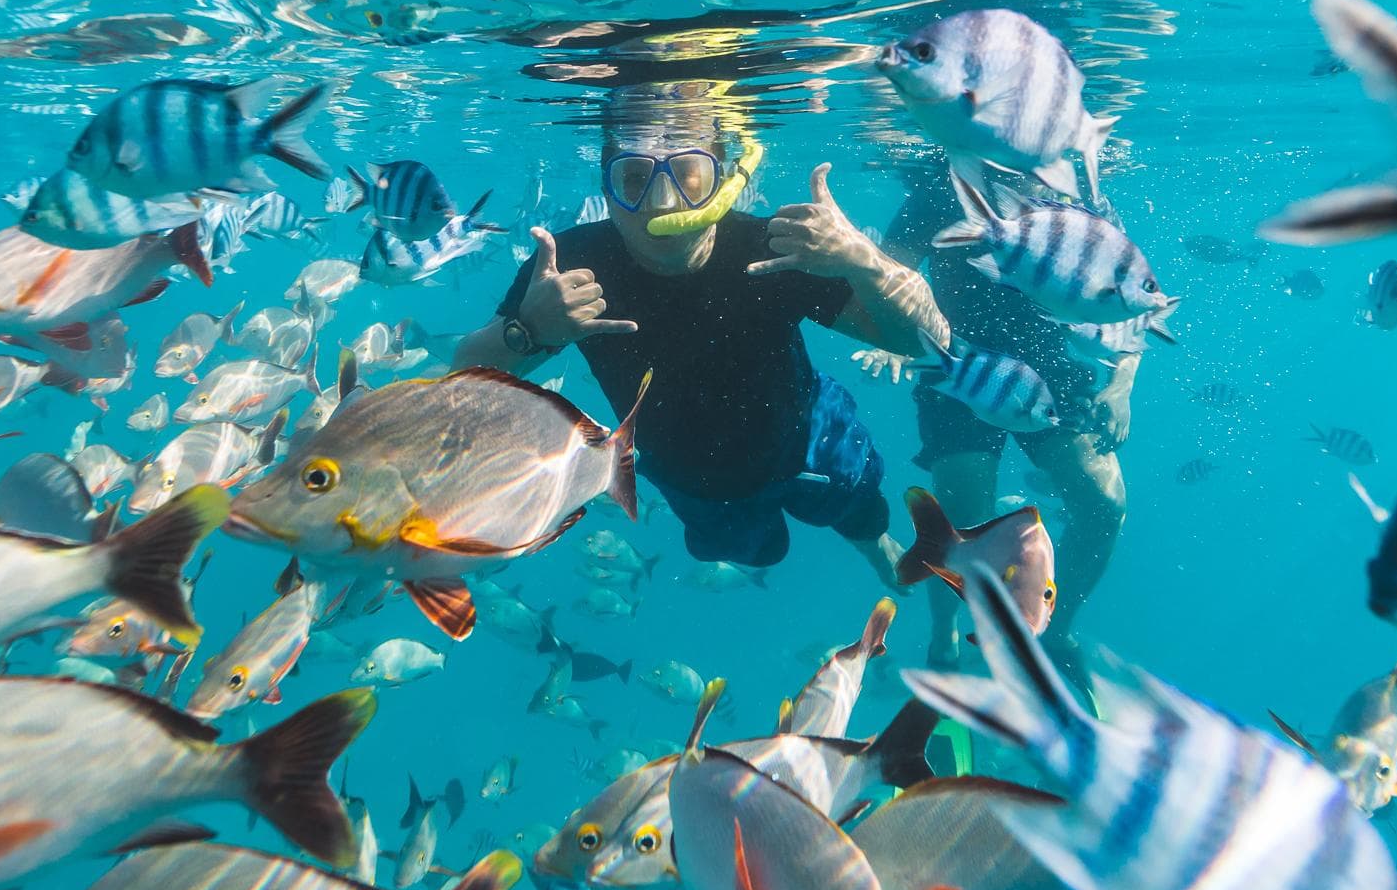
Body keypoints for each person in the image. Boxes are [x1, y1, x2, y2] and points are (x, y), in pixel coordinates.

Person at [453, 81, 950, 578]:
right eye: (633, 180)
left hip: (812, 434)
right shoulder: (565, 268)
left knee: (859, 507)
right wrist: (529, 329)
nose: (662, 203)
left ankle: (873, 543)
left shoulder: (779, 246)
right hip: (696, 480)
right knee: (756, 553)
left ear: (727, 181)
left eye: (691, 177)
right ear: (606, 188)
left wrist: (868, 265)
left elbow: (930, 341)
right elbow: (462, 376)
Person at [880, 160, 1139, 688]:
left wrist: (1121, 386)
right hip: (964, 374)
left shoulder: (1084, 200)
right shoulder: (939, 191)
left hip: (1055, 376)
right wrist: (889, 334)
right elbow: (888, 272)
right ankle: (945, 633)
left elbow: (1128, 302)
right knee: (960, 519)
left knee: (1102, 504)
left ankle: (1054, 632)